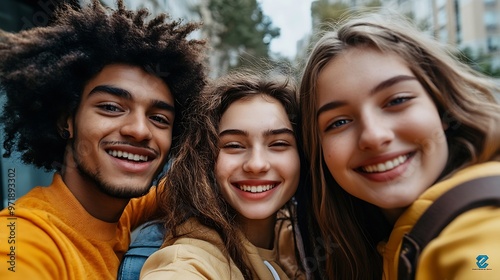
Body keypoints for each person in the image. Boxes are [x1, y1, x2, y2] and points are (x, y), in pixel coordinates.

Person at [0, 0, 206, 278]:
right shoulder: (24, 241)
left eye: (159, 118)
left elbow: (189, 182)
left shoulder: (118, 212)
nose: (140, 130)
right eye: (111, 107)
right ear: (66, 120)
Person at [299, 12, 500, 279]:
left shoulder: (480, 231)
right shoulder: (375, 242)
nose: (373, 136)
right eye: (338, 122)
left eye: (396, 101)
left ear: (442, 107)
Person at [139, 69, 308, 279]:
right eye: (234, 145)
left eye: (279, 144)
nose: (256, 164)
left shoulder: (301, 238)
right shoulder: (191, 258)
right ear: (206, 159)